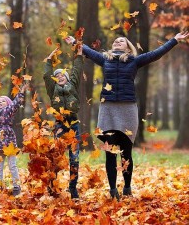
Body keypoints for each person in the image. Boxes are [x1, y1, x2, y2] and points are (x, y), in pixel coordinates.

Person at [65, 31, 189, 200]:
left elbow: (155, 54)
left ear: (128, 47)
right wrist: (74, 42)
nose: (117, 42)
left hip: (128, 108)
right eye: (115, 41)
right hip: (107, 108)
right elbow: (87, 50)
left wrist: (174, 40)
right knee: (110, 151)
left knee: (126, 151)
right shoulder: (105, 59)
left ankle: (127, 187)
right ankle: (112, 190)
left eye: (121, 41)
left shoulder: (134, 60)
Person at [43, 45, 84, 199]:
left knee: (74, 158)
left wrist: (79, 55)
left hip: (74, 125)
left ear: (67, 78)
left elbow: (76, 71)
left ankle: (73, 188)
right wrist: (49, 60)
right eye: (57, 75)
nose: (60, 76)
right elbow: (47, 75)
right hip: (60, 126)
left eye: (62, 75)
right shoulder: (52, 89)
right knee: (56, 157)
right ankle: (52, 187)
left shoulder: (72, 85)